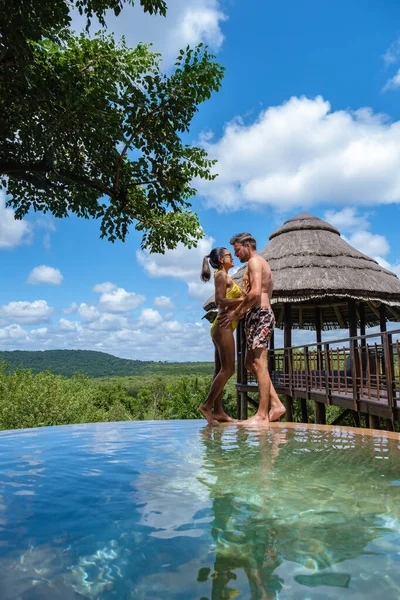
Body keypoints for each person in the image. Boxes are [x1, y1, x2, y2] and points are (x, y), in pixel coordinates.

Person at [219, 233, 286, 424]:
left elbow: (256, 293)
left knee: (259, 363)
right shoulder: (253, 264)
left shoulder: (255, 262)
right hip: (254, 315)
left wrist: (236, 313)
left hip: (261, 314)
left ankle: (262, 414)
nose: (236, 255)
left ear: (247, 246)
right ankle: (277, 404)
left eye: (237, 250)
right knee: (250, 363)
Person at [199, 247, 244, 425]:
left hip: (222, 327)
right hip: (223, 325)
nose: (231, 258)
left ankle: (218, 411)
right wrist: (242, 300)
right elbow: (219, 301)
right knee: (229, 369)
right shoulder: (220, 276)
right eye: (228, 255)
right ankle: (206, 405)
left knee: (219, 371)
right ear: (219, 259)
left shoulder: (225, 276)